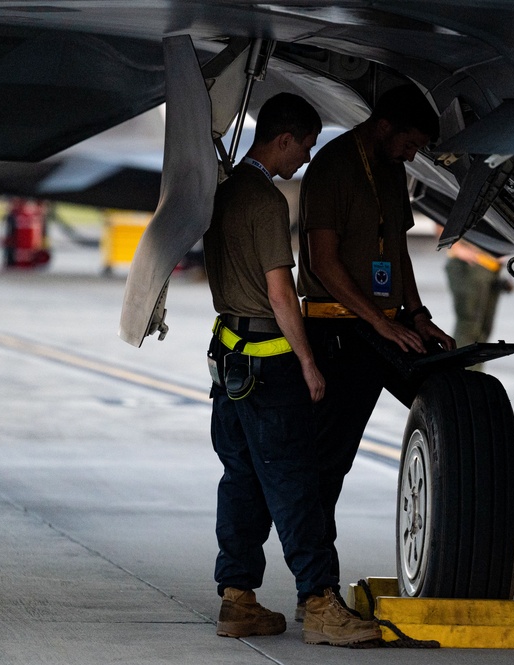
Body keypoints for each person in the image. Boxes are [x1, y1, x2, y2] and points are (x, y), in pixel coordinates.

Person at [203, 92, 381, 647]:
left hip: (229, 359)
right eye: (304, 147)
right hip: (269, 365)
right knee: (296, 483)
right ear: (283, 139)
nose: (306, 159)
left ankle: (237, 598)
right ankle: (320, 603)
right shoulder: (266, 201)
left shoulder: (225, 191)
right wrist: (308, 362)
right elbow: (281, 294)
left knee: (241, 479)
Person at [297, 84, 455, 602]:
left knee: (451, 388)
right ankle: (316, 593)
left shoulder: (390, 167)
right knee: (327, 465)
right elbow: (323, 263)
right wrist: (378, 324)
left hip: (385, 324)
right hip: (339, 330)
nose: (412, 155)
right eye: (409, 144)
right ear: (384, 126)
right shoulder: (333, 168)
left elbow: (398, 251)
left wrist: (417, 315)